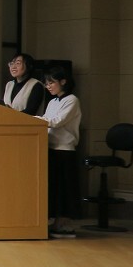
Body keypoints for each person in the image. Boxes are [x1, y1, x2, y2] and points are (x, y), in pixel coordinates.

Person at [37, 66, 82, 238]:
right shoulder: (52, 102)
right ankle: (54, 222)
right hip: (51, 148)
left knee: (65, 188)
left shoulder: (72, 100)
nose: (48, 86)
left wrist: (35, 119)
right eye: (47, 83)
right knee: (54, 188)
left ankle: (64, 224)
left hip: (65, 150)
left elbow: (57, 121)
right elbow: (47, 122)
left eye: (51, 82)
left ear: (63, 81)